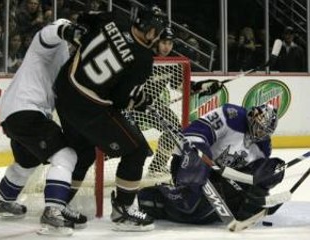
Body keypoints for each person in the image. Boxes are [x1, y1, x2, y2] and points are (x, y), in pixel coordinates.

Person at [53, 5, 167, 232]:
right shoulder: (143, 59)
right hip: (88, 108)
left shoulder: (114, 18)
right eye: (158, 31)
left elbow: (83, 18)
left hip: (63, 91)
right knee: (136, 149)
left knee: (83, 152)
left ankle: (56, 205)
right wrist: (139, 101)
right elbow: (120, 101)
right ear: (151, 31)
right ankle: (123, 211)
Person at [0, 19, 88, 236]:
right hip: (27, 110)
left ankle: (4, 202)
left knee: (28, 161)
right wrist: (68, 30)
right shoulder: (47, 45)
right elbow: (50, 33)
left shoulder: (66, 60)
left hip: (15, 113)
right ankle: (53, 212)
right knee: (65, 155)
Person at [137, 103, 284, 228]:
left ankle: (246, 203)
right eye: (259, 127)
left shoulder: (264, 147)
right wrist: (202, 153)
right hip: (190, 164)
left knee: (274, 168)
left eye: (265, 132)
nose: (260, 134)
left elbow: (252, 175)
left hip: (217, 179)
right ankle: (154, 195)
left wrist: (256, 195)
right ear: (252, 117)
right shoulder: (231, 115)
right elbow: (195, 133)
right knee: (190, 207)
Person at [130, 27, 181, 176]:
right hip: (131, 102)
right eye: (164, 42)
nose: (167, 47)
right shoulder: (145, 56)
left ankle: (157, 166)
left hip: (151, 104)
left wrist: (200, 88)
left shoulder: (174, 62)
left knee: (174, 128)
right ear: (157, 42)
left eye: (170, 43)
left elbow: (178, 86)